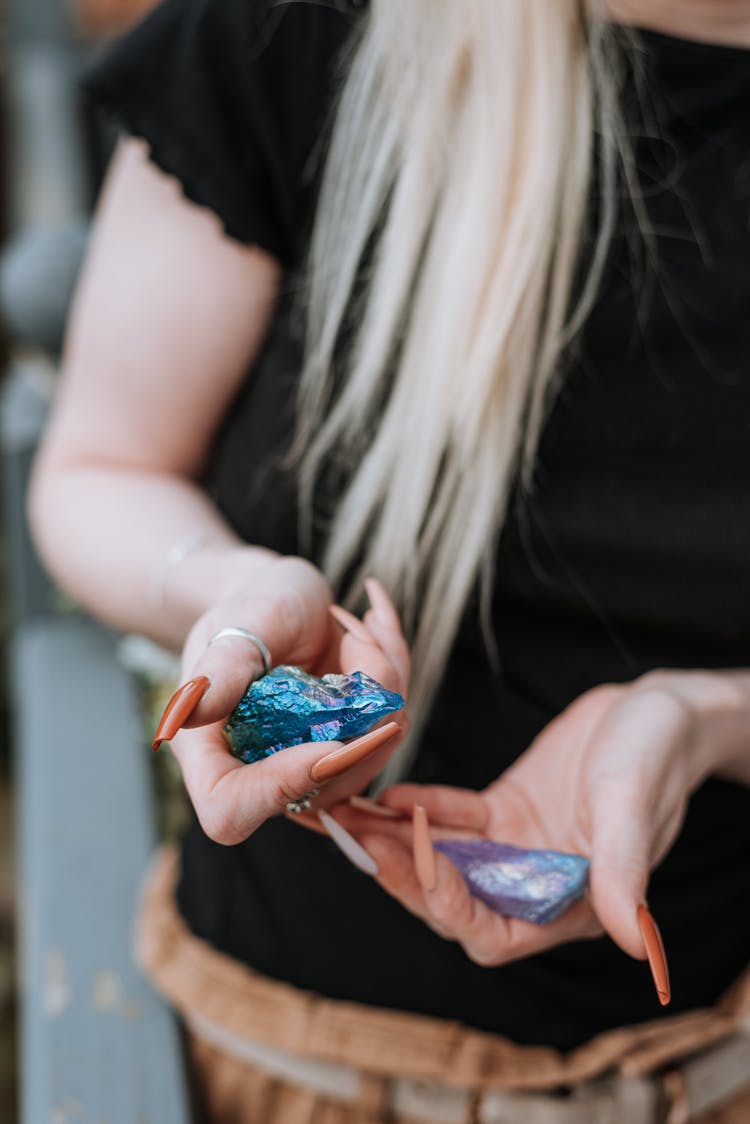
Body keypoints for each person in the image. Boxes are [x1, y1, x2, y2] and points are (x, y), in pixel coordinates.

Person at [28, 0, 750, 1119]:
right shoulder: (293, 30)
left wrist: (702, 719)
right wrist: (225, 589)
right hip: (290, 1064)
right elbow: (101, 463)